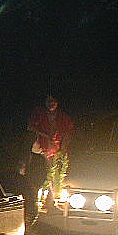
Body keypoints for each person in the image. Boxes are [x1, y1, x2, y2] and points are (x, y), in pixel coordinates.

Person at [19, 95, 74, 224]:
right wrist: (45, 135)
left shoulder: (62, 116)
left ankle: (52, 200)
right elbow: (31, 127)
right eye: (49, 101)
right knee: (46, 174)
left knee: (55, 174)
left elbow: (68, 131)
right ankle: (42, 202)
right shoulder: (39, 113)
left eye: (53, 101)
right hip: (41, 149)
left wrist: (63, 147)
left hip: (55, 149)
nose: (51, 104)